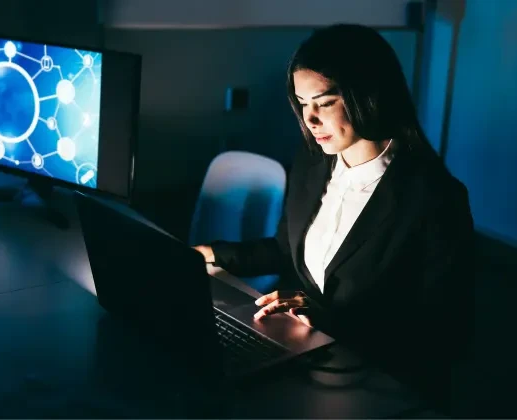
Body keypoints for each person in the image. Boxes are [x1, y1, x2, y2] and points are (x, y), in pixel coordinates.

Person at [194, 24, 474, 411]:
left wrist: (328, 318)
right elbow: (284, 248)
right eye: (301, 102)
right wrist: (212, 254)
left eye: (324, 103)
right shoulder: (313, 162)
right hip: (311, 359)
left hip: (381, 383)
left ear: (368, 96)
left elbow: (445, 333)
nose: (309, 119)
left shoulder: (433, 198)